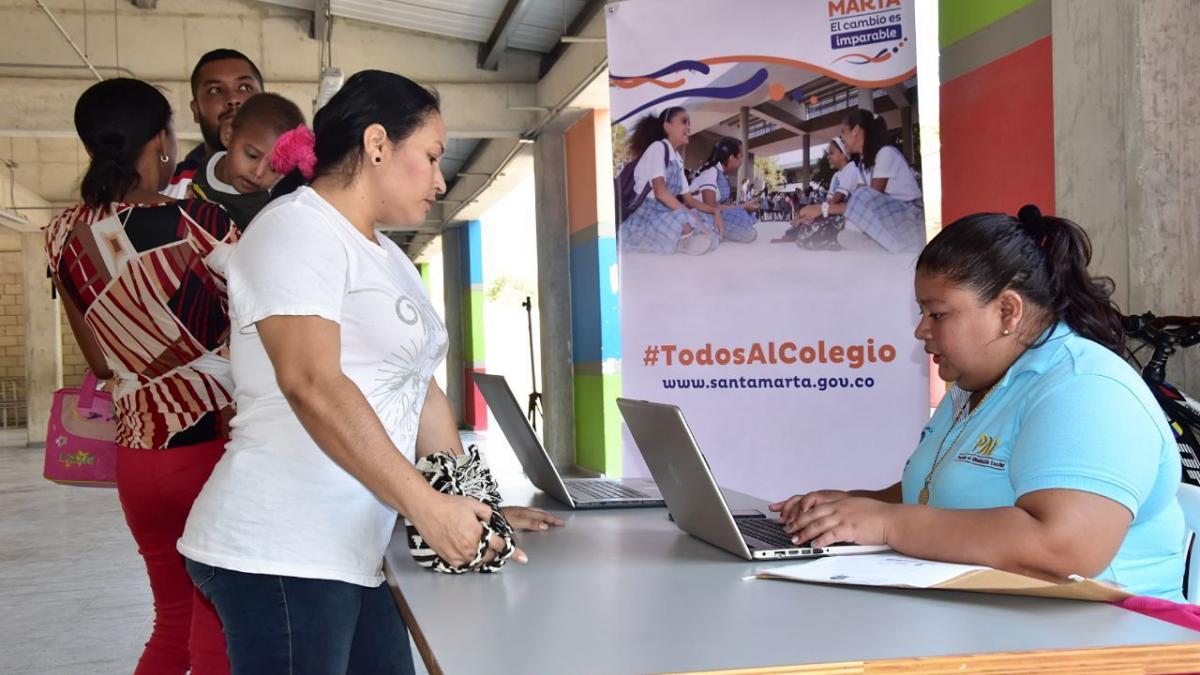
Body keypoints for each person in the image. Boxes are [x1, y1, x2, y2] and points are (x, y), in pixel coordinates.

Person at [178, 70, 563, 674]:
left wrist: (468, 504)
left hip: (352, 548)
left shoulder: (386, 255)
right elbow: (311, 381)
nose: (440, 179)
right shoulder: (294, 229)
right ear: (377, 144)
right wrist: (426, 508)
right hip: (281, 550)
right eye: (431, 157)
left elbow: (422, 390)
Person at [772, 206, 1186, 601]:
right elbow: (943, 493)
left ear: (1008, 310)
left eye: (937, 314)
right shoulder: (978, 382)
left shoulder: (1087, 389)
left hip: (1114, 643)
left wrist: (887, 524)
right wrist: (851, 508)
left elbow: (1063, 549)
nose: (920, 330)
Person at [45, 78, 235, 675]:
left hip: (138, 456)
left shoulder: (61, 235)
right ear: (160, 141)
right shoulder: (202, 222)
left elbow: (100, 362)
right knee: (218, 621)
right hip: (207, 443)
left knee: (173, 619)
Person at [794, 110, 924, 253]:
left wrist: (822, 209)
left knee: (861, 196)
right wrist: (816, 213)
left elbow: (869, 201)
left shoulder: (885, 153)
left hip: (910, 217)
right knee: (850, 213)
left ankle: (878, 244)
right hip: (890, 219)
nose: (842, 138)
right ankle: (872, 244)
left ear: (855, 130)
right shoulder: (863, 165)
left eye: (843, 131)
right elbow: (857, 205)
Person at [188, 92, 306, 229]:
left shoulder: (265, 212)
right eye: (252, 155)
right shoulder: (190, 171)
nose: (258, 173)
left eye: (274, 168)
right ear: (228, 136)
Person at [618, 106, 725, 255]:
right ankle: (684, 240)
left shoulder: (678, 159)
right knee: (684, 219)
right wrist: (692, 217)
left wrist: (715, 211)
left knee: (703, 218)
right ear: (667, 127)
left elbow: (689, 200)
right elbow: (660, 193)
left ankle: (684, 239)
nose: (689, 127)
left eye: (689, 123)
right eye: (684, 121)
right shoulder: (658, 148)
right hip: (645, 216)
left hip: (664, 212)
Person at [164, 49, 264, 199]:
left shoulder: (298, 181)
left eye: (244, 88)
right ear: (196, 110)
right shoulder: (169, 189)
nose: (233, 99)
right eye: (215, 90)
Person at [691, 137, 759, 243]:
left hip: (714, 213)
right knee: (741, 216)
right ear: (731, 158)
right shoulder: (711, 172)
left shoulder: (721, 173)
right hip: (702, 214)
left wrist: (742, 207)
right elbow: (710, 207)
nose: (741, 161)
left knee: (742, 215)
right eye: (740, 157)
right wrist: (742, 206)